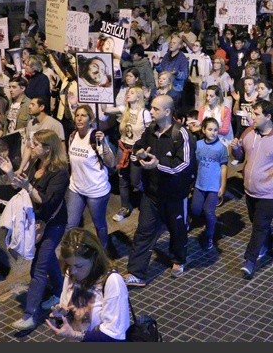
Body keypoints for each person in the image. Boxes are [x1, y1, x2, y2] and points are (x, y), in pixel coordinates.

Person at [0, 129, 70, 331]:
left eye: (36, 144)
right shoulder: (37, 164)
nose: (31, 146)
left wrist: (28, 187)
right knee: (47, 259)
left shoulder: (60, 172)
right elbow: (20, 188)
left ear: (48, 148)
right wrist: (11, 173)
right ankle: (59, 289)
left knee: (38, 267)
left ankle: (29, 315)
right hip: (35, 221)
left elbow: (46, 202)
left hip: (52, 223)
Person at [123, 95, 196, 286]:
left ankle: (178, 259)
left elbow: (185, 165)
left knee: (177, 230)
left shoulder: (182, 134)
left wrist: (158, 165)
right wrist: (138, 154)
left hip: (175, 196)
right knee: (143, 232)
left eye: (155, 109)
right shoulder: (150, 130)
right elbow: (139, 147)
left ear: (167, 112)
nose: (151, 111)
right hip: (151, 193)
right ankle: (136, 273)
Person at [231, 100, 273, 280]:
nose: (252, 117)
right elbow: (240, 156)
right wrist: (236, 149)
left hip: (270, 192)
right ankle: (268, 244)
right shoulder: (248, 132)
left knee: (259, 226)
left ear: (268, 117)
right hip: (250, 190)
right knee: (257, 222)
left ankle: (250, 261)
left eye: (256, 114)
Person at [46, 227, 130, 341]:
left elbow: (114, 334)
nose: (73, 271)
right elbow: (68, 310)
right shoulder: (70, 272)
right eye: (70, 265)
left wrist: (75, 335)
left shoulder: (112, 281)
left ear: (95, 258)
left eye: (79, 266)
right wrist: (60, 317)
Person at [66, 105, 116, 249]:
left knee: (99, 225)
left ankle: (103, 252)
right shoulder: (72, 136)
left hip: (96, 191)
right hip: (76, 188)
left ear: (90, 119)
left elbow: (111, 163)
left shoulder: (95, 137)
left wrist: (104, 144)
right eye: (77, 115)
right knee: (70, 225)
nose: (80, 118)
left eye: (84, 115)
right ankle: (72, 255)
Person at [112, 86, 151, 222]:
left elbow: (149, 134)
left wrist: (142, 152)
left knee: (135, 180)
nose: (128, 94)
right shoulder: (125, 110)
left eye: (132, 92)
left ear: (139, 96)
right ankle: (124, 207)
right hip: (123, 148)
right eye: (128, 92)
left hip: (136, 149)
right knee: (122, 179)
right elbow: (106, 111)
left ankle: (148, 199)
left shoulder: (144, 113)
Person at [191, 117, 229, 249]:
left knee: (209, 212)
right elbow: (195, 163)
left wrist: (222, 185)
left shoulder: (221, 148)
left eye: (216, 130)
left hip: (213, 186)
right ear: (203, 130)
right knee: (195, 209)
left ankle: (209, 236)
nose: (213, 132)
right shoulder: (198, 145)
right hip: (199, 184)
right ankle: (208, 222)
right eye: (210, 129)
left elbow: (224, 167)